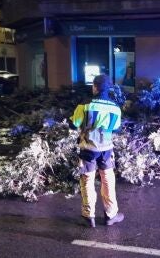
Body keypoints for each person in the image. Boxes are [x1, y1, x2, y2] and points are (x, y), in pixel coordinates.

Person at [70, 74, 124, 228]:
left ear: (95, 87)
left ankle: (88, 216)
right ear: (109, 89)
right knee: (108, 180)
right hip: (106, 150)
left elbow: (74, 125)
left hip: (88, 150)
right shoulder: (115, 108)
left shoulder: (84, 106)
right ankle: (111, 215)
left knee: (87, 180)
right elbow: (116, 129)